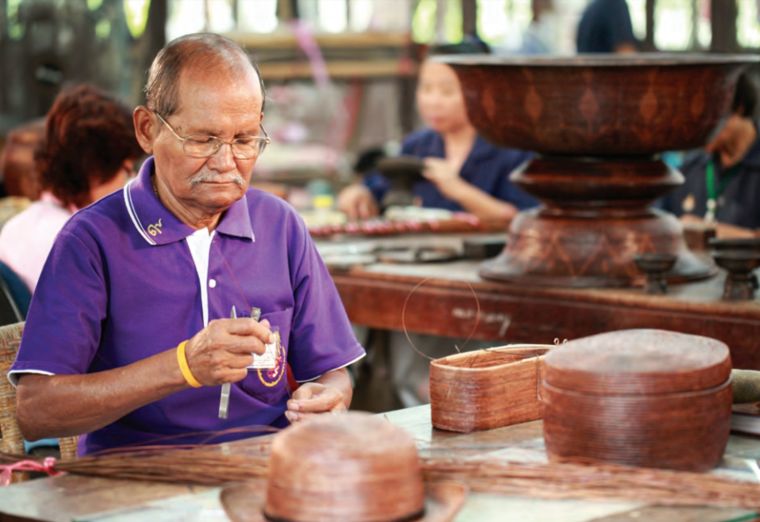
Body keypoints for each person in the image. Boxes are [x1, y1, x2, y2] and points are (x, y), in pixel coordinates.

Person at [9, 33, 365, 455]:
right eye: (203, 139)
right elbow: (37, 411)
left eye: (245, 140)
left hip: (262, 469)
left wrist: (328, 399)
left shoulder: (281, 226)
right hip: (130, 481)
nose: (225, 161)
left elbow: (333, 374)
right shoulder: (92, 240)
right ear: (147, 130)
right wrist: (183, 366)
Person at [338, 41, 536, 224]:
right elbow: (379, 188)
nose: (433, 102)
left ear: (482, 91)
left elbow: (522, 220)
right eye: (426, 89)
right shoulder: (417, 146)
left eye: (447, 91)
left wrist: (458, 189)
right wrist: (360, 193)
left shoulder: (512, 149)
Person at [0, 85, 142, 293]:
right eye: (127, 170)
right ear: (96, 170)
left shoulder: (15, 227)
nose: (132, 181)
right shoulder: (81, 245)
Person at [661, 73, 760, 237]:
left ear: (739, 107)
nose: (698, 128)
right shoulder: (688, 170)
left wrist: (709, 231)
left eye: (707, 116)